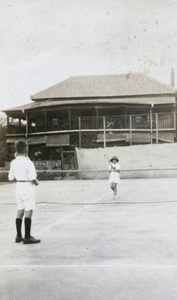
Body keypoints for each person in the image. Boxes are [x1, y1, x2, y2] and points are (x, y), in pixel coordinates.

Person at [8, 140, 41, 244]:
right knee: (29, 209)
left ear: (16, 150)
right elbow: (32, 178)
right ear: (26, 149)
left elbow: (10, 177)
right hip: (28, 186)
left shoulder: (13, 162)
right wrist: (36, 182)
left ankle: (18, 236)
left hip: (19, 186)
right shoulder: (29, 163)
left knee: (20, 209)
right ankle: (27, 236)